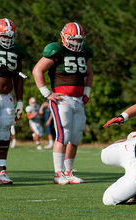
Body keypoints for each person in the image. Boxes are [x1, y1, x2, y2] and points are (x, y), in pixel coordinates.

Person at [32, 22, 94, 185]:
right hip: (62, 99)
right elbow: (37, 70)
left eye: (80, 40)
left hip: (78, 100)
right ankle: (57, 173)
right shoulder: (56, 50)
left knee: (76, 136)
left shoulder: (84, 52)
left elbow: (89, 73)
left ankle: (68, 172)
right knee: (63, 134)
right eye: (74, 39)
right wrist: (46, 93)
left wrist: (86, 91)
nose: (77, 43)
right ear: (65, 38)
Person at [0, 18, 25, 185]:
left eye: (10, 37)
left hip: (7, 97)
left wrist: (20, 102)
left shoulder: (17, 50)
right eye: (4, 36)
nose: (7, 40)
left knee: (5, 132)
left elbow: (19, 78)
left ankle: (1, 172)